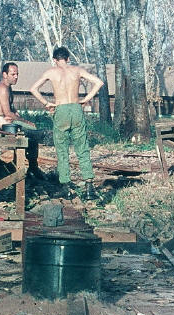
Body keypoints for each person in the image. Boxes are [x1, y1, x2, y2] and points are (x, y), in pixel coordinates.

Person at [29, 47, 104, 200]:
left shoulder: (51, 72)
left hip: (61, 109)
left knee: (62, 150)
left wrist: (46, 103)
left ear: (54, 60)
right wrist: (85, 99)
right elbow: (99, 82)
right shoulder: (77, 70)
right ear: (68, 59)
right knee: (82, 148)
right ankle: (89, 188)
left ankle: (66, 187)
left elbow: (33, 89)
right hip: (76, 109)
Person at [0, 62, 36, 130]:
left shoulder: (8, 87)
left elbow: (10, 109)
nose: (16, 77)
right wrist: (26, 122)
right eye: (13, 74)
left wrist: (16, 114)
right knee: (32, 128)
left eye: (17, 74)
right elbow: (8, 113)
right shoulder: (2, 89)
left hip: (5, 120)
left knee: (30, 127)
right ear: (5, 75)